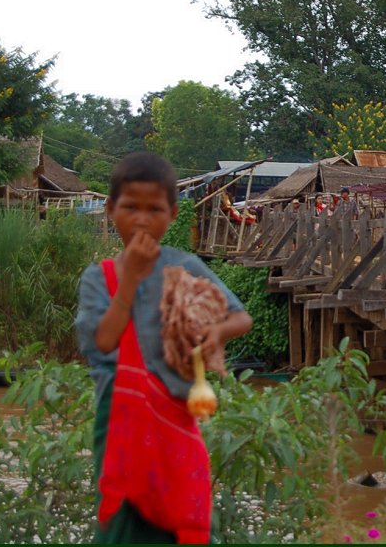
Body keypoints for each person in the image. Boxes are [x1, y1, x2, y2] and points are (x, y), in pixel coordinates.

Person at [75, 151, 253, 544]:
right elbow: (103, 341)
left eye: (154, 209)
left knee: (174, 523)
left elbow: (241, 318)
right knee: (123, 524)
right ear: (110, 209)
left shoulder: (184, 264)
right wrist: (132, 280)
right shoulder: (98, 277)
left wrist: (216, 334)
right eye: (130, 207)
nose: (141, 219)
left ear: (172, 213)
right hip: (119, 420)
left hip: (173, 414)